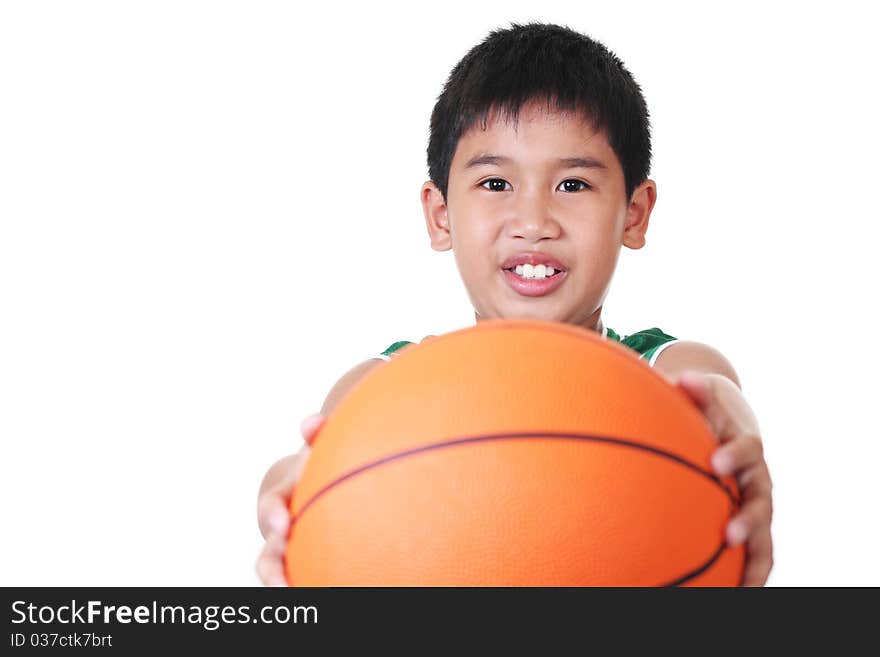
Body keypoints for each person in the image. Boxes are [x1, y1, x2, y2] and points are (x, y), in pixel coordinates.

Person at [256, 22, 773, 586]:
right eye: (496, 184)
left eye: (573, 185)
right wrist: (290, 492)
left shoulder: (663, 374)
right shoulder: (387, 389)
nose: (533, 223)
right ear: (440, 214)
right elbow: (307, 470)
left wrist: (731, 434)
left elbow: (719, 399)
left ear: (634, 212)